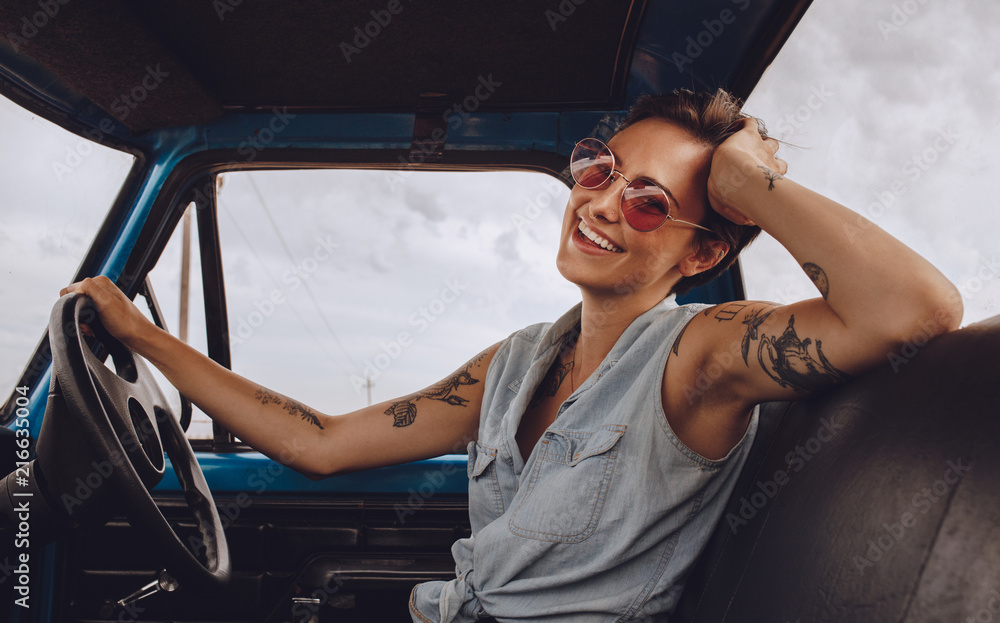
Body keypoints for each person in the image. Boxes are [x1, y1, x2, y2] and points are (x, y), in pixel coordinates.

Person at [62, 89, 963, 622]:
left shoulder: (702, 355)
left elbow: (915, 309)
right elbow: (323, 442)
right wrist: (145, 338)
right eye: (602, 170)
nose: (604, 203)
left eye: (651, 201)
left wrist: (748, 180)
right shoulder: (520, 360)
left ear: (701, 254)